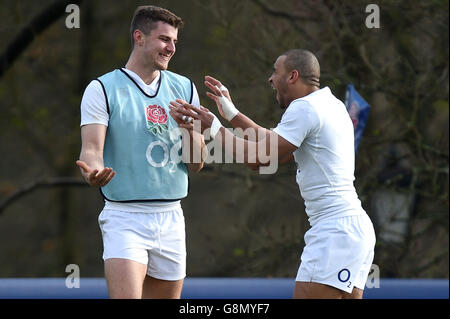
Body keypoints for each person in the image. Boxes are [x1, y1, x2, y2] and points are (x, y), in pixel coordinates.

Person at [170, 49, 376, 299]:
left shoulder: (304, 109)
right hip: (355, 231)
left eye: (275, 71)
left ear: (292, 76)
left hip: (335, 232)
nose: (270, 79)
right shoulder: (330, 104)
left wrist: (214, 127)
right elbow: (273, 145)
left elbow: (260, 160)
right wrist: (233, 115)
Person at [76, 5, 205, 299]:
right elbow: (92, 151)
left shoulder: (184, 88)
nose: (171, 48)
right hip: (125, 216)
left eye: (174, 41)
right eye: (164, 39)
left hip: (172, 216)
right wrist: (93, 173)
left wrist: (189, 130)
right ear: (139, 37)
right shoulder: (102, 88)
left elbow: (196, 164)